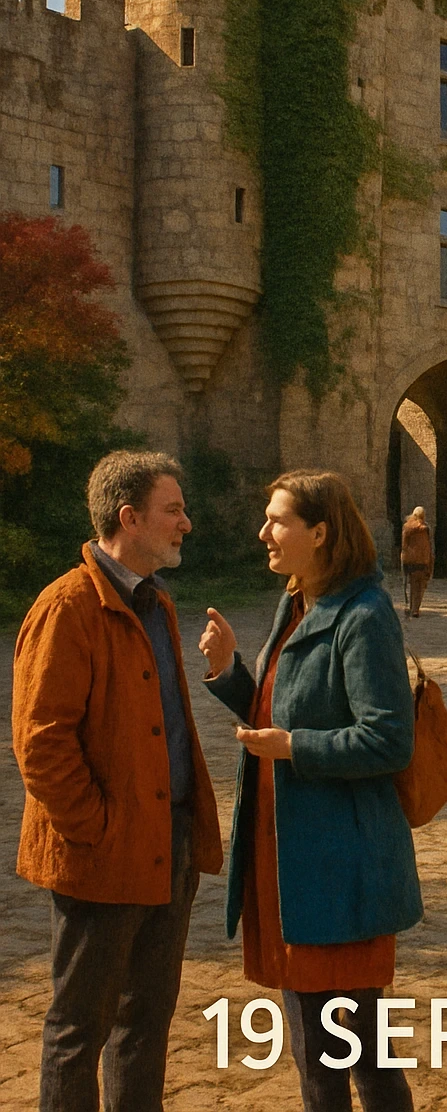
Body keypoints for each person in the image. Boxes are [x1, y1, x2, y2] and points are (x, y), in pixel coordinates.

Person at [199, 469, 422, 1112]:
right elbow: (278, 709)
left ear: (320, 533)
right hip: (289, 860)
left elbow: (387, 740)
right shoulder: (298, 600)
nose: (263, 531)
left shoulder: (365, 614)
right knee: (318, 1052)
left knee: (354, 1055)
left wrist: (296, 747)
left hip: (339, 866)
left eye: (278, 521)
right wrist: (228, 672)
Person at [11, 450, 222, 1112]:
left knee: (146, 1025)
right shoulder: (66, 607)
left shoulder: (155, 602)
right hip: (101, 855)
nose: (185, 522)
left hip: (169, 844)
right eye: (173, 509)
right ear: (129, 518)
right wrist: (96, 829)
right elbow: (42, 744)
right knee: (80, 1030)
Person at [400, 505, 433, 618]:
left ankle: (412, 607)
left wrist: (404, 556)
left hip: (411, 559)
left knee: (413, 584)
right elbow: (429, 545)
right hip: (423, 560)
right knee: (421, 585)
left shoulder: (407, 527)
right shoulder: (426, 528)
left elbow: (404, 545)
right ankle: (416, 609)